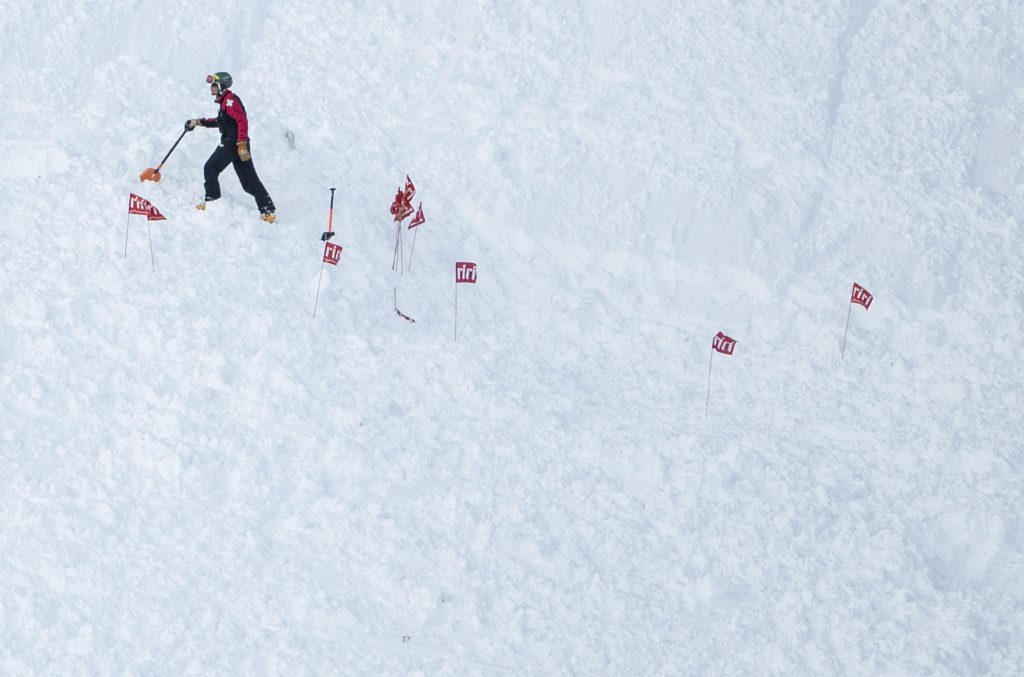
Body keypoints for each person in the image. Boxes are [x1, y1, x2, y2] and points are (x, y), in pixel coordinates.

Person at [185, 72, 276, 223]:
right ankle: (268, 211)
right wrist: (198, 122)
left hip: (233, 143)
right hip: (238, 143)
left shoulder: (230, 100)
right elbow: (220, 122)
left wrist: (240, 143)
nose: (211, 88)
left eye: (214, 85)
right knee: (248, 181)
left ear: (221, 85)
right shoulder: (225, 102)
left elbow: (242, 120)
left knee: (210, 167)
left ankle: (212, 202)